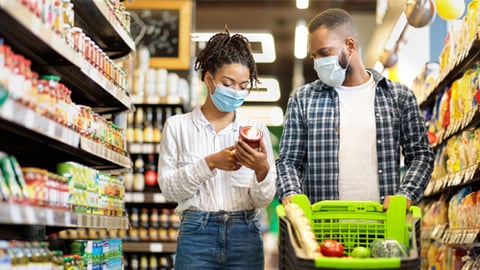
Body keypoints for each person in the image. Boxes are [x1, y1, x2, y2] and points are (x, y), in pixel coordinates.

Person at [276, 8, 434, 210]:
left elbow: (421, 154)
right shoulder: (303, 99)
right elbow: (289, 161)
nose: (318, 63)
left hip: (381, 226)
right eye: (314, 56)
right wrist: (292, 194)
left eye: (325, 53)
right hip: (323, 228)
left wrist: (406, 194)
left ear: (350, 45)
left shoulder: (398, 97)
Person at [157, 29, 276, 270]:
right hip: (196, 235)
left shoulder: (255, 130)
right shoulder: (177, 127)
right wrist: (209, 164)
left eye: (243, 86)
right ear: (209, 79)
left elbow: (262, 200)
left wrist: (262, 170)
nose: (236, 92)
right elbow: (169, 190)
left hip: (245, 233)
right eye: (227, 83)